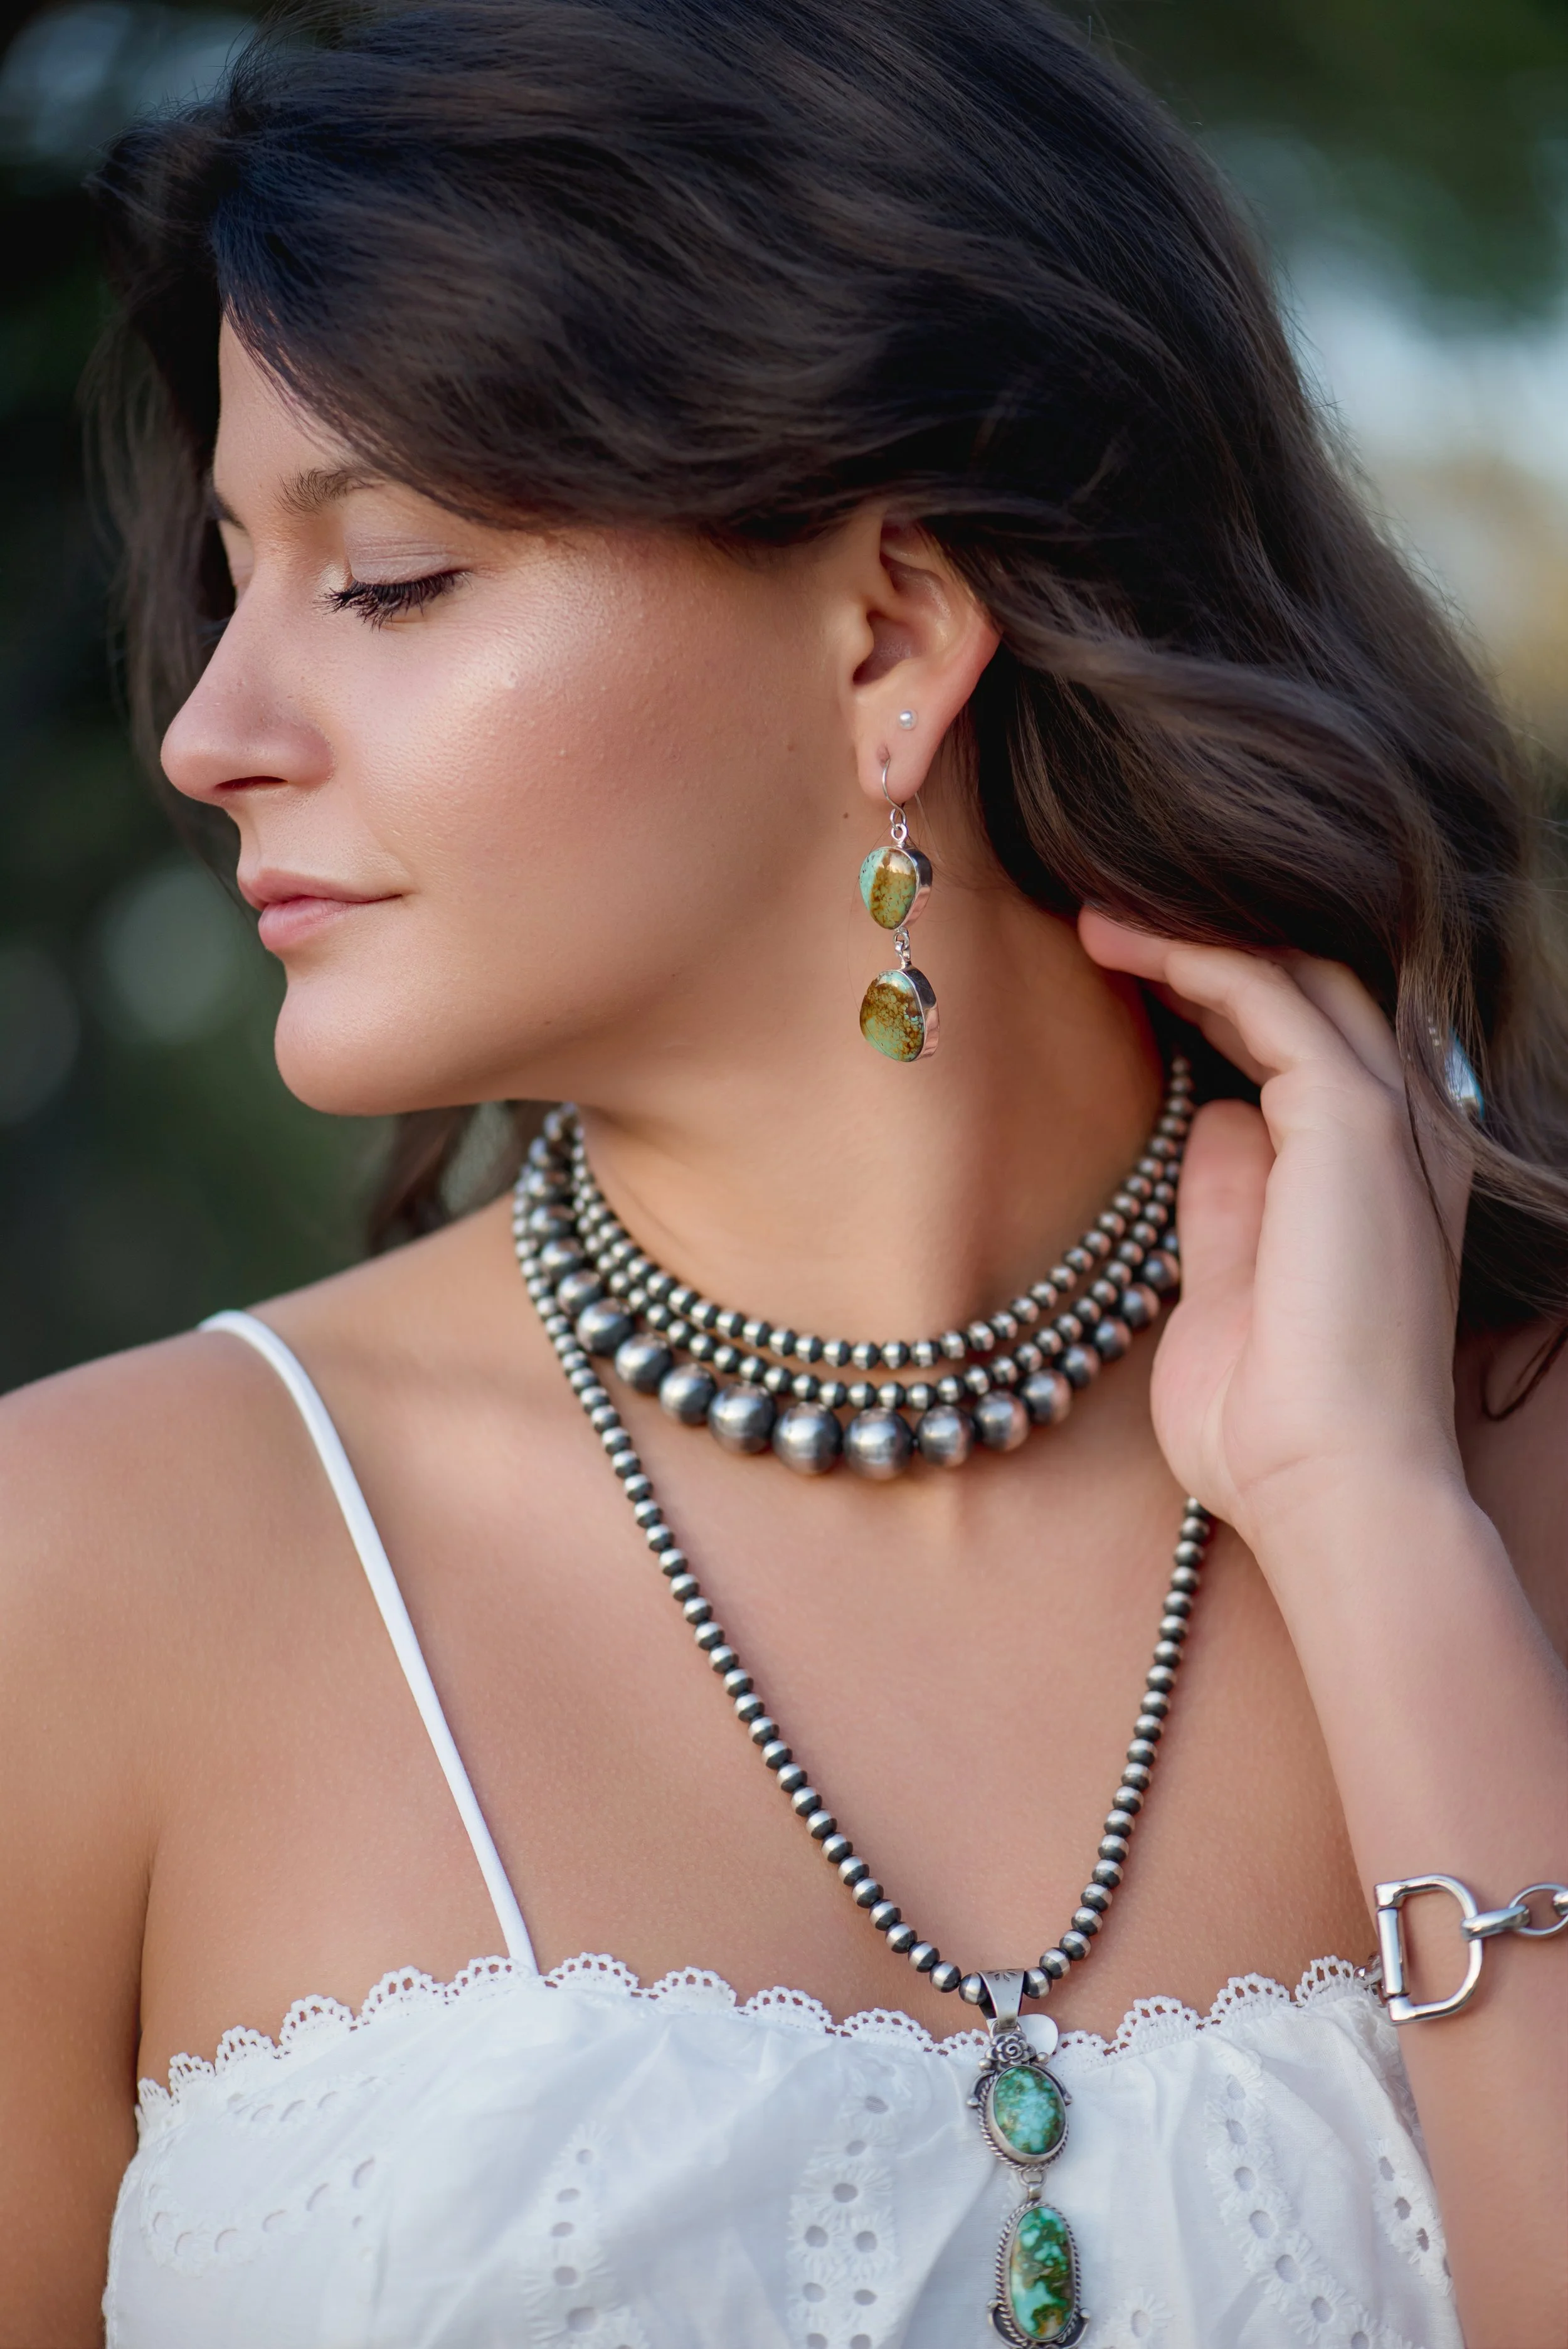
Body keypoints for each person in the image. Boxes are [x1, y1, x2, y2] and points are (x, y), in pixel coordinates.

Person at [3, 1, 1565, 2341]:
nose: (212, 734)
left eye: (391, 577)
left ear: (894, 633)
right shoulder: (81, 1574)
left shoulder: (1509, 1464)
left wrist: (1377, 1534)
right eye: (232, 579)